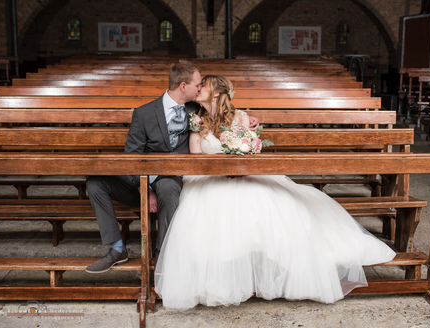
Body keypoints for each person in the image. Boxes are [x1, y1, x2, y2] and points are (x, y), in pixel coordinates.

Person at [154, 75, 396, 310]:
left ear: (216, 92)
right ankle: (222, 276)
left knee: (271, 202)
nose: (198, 89)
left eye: (203, 85)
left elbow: (249, 152)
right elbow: (196, 157)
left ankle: (274, 268)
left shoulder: (241, 117)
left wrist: (239, 160)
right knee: (212, 211)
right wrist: (220, 165)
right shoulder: (196, 119)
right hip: (208, 178)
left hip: (243, 175)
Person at [85, 61, 258, 274]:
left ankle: (163, 256)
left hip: (172, 178)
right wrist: (144, 189)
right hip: (145, 179)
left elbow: (223, 111)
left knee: (167, 187)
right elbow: (131, 157)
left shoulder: (197, 108)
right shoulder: (144, 113)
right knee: (95, 181)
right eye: (198, 84)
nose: (200, 88)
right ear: (183, 86)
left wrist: (247, 120)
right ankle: (117, 247)